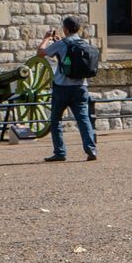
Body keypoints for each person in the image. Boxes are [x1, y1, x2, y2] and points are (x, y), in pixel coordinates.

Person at [38, 15, 99, 161]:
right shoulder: (84, 43)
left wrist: (46, 39)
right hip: (81, 87)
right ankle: (91, 150)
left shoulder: (62, 44)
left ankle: (60, 152)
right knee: (84, 119)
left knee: (55, 120)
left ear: (65, 29)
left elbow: (40, 53)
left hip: (62, 87)